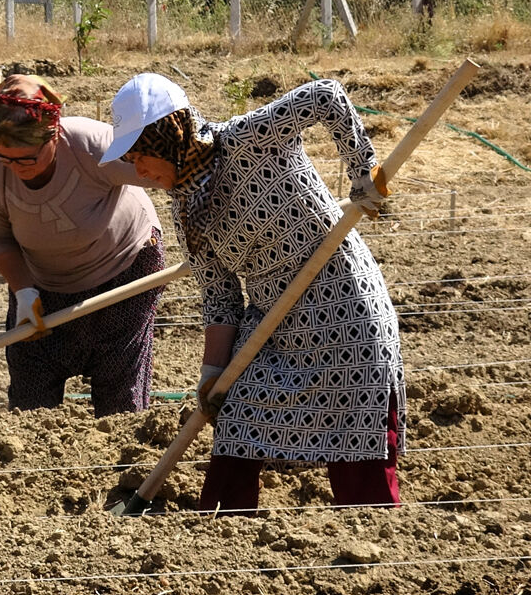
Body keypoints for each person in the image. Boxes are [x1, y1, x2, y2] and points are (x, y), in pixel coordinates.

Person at [101, 72, 404, 513]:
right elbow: (220, 296)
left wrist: (363, 170)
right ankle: (222, 525)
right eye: (131, 159)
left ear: (170, 139)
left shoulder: (248, 138)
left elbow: (326, 95)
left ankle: (373, 531)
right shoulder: (187, 208)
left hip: (344, 307)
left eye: (142, 154)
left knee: (356, 438)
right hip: (272, 324)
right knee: (234, 408)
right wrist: (211, 373)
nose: (138, 170)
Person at [0, 74, 166, 417]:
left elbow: (163, 171)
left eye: (27, 159)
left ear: (54, 135)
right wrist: (25, 293)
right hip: (45, 281)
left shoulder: (92, 146)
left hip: (124, 268)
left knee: (118, 388)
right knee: (31, 385)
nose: (16, 169)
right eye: (6, 158)